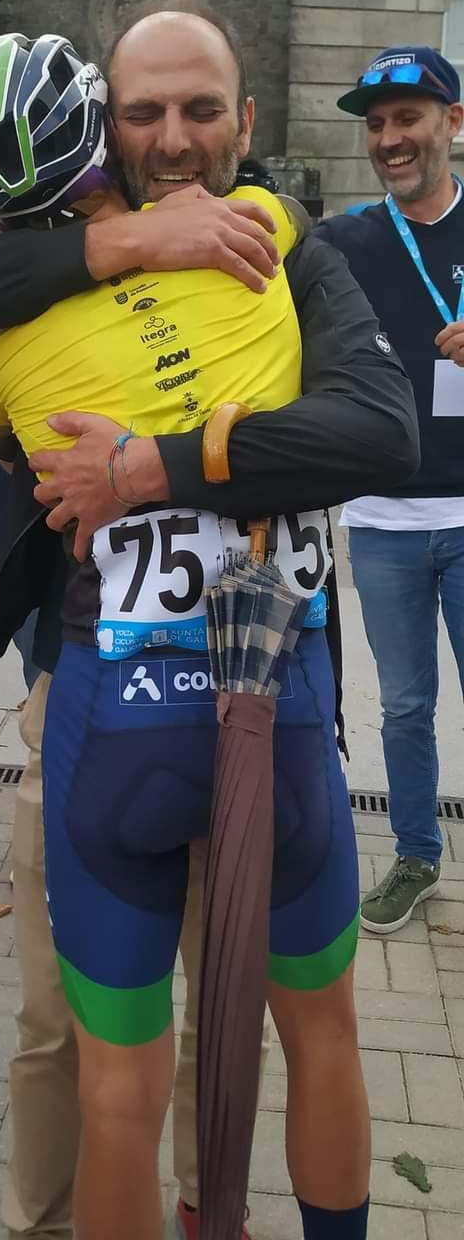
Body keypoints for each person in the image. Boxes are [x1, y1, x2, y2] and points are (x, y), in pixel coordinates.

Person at [0, 15, 418, 1240]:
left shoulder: (279, 244)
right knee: (313, 1036)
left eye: (200, 111)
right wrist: (133, 241)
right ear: (105, 130)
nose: (175, 140)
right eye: (145, 115)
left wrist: (152, 466)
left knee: (120, 1082)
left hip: (119, 725)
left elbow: (381, 435)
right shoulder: (266, 244)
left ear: (244, 119)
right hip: (269, 722)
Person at [317, 47, 464, 934]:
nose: (389, 139)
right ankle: (417, 855)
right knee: (406, 706)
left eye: (407, 118)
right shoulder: (346, 240)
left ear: (454, 122)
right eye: (374, 124)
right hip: (383, 519)